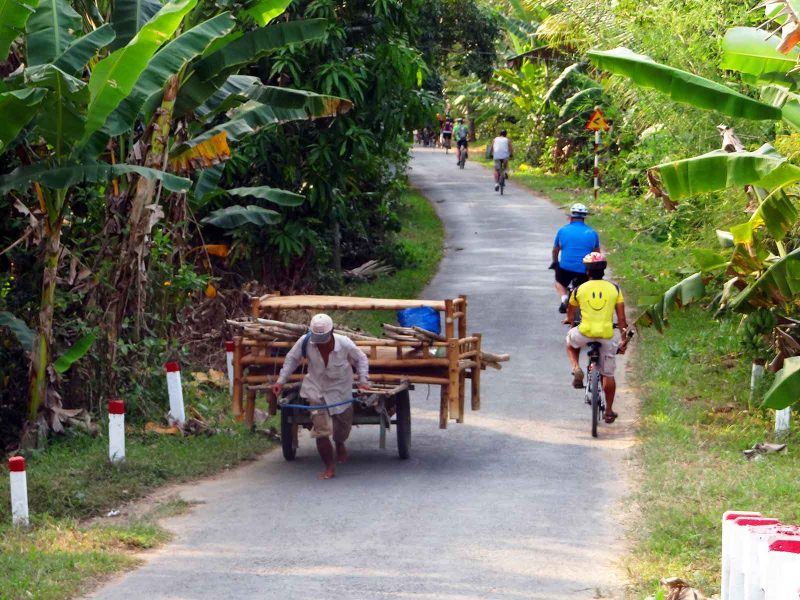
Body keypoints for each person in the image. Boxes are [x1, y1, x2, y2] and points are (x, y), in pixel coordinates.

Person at [272, 314, 370, 480]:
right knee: (321, 431)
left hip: (341, 391)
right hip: (316, 390)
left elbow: (361, 359)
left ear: (331, 332)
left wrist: (363, 380)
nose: (320, 342)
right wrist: (280, 381)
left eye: (323, 338)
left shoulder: (344, 343)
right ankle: (329, 466)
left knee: (343, 429)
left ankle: (339, 443)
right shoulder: (305, 342)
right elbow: (292, 359)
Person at [565, 252, 629, 423]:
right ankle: (608, 411)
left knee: (570, 342)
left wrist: (571, 322)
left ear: (587, 270)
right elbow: (622, 319)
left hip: (584, 333)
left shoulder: (579, 290)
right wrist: (623, 339)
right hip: (606, 336)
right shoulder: (615, 289)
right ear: (604, 269)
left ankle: (576, 367)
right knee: (608, 373)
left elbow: (570, 314)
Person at [550, 202, 600, 313]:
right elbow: (597, 254)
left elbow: (555, 250)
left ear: (571, 217)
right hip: (585, 269)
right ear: (584, 218)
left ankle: (564, 298)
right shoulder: (592, 233)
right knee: (587, 286)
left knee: (559, 282)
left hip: (566, 268)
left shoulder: (562, 230)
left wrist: (555, 262)